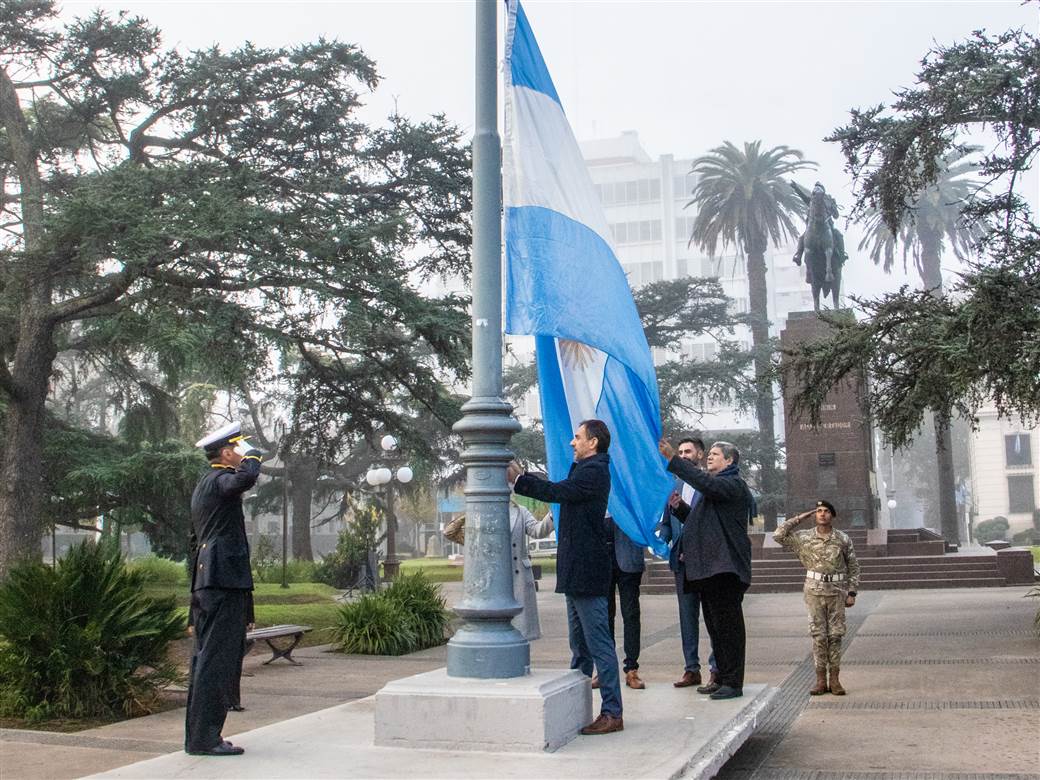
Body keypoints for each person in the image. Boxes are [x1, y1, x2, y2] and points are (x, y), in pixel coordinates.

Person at [508, 419, 622, 735]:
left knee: (599, 645)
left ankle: (612, 712)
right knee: (580, 648)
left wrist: (520, 480)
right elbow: (561, 490)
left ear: (593, 442)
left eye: (578, 437)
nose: (572, 442)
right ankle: (576, 707)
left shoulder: (594, 471)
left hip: (586, 571)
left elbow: (558, 491)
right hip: (576, 571)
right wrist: (522, 478)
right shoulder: (586, 469)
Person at [184, 421, 262, 757]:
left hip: (212, 581)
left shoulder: (206, 484)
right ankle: (205, 739)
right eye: (238, 449)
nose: (242, 455)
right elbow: (244, 479)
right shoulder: (219, 480)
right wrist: (253, 456)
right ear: (227, 453)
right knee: (216, 661)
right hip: (222, 581)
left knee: (206, 660)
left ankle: (201, 736)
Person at [657, 438, 753, 700]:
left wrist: (674, 460)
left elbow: (707, 485)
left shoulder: (733, 484)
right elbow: (700, 522)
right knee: (716, 627)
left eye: (715, 454)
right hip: (711, 569)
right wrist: (680, 508)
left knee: (728, 629)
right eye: (709, 453)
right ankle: (721, 677)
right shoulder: (715, 489)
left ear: (729, 461)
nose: (710, 457)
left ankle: (733, 682)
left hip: (726, 569)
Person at [773, 500, 860, 696]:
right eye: (818, 511)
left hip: (836, 592)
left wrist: (852, 592)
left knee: (835, 635)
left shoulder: (842, 539)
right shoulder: (804, 537)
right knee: (819, 636)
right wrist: (799, 518)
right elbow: (778, 535)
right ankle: (820, 680)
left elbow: (853, 566)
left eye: (826, 511)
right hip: (814, 591)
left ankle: (834, 679)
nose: (822, 514)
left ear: (832, 515)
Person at [655, 437, 718, 690]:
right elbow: (667, 522)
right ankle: (691, 668)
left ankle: (716, 668)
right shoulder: (674, 486)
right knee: (687, 618)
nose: (682, 455)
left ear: (699, 455)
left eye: (687, 451)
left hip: (706, 562)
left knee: (713, 617)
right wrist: (660, 539)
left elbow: (709, 524)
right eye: (679, 452)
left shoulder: (710, 485)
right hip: (682, 564)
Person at [445, 501, 554, 641]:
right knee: (494, 631)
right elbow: (449, 532)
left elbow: (537, 531)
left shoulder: (520, 511)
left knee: (521, 630)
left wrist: (553, 513)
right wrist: (473, 510)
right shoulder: (480, 514)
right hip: (492, 579)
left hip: (518, 577)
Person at [604, 514, 646, 689]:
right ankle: (605, 669)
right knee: (604, 616)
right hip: (601, 557)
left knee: (631, 614)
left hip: (628, 554)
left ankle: (632, 669)